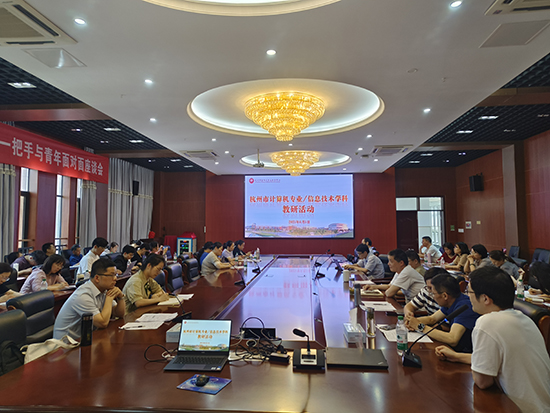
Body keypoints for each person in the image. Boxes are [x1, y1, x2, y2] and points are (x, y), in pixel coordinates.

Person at [435, 266, 550, 413]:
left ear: (485, 298)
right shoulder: (524, 319)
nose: (468, 296)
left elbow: (483, 381)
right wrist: (457, 356)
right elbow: (498, 361)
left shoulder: (487, 323)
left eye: (469, 291)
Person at [53, 258, 125, 340]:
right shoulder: (83, 296)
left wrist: (120, 297)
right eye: (111, 275)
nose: (115, 278)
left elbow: (119, 314)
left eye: (116, 274)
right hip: (66, 343)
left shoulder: (103, 289)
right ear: (97, 278)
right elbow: (102, 323)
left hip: (86, 339)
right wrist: (109, 298)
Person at [406, 273, 479, 353]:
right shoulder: (451, 301)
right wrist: (412, 321)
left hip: (466, 353)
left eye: (433, 293)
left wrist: (420, 327)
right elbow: (432, 319)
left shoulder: (464, 307)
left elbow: (453, 339)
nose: (432, 297)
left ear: (445, 296)